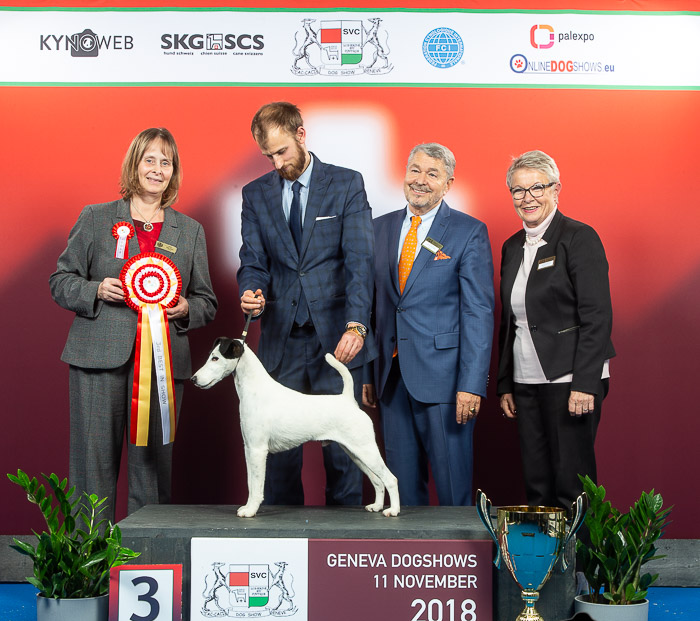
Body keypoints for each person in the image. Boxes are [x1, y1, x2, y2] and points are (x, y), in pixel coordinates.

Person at [50, 127, 217, 522]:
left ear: (173, 172)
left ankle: (147, 554)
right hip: (97, 359)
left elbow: (207, 302)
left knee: (152, 471)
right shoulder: (96, 218)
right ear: (134, 165)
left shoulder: (190, 231)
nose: (157, 169)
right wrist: (94, 289)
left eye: (166, 162)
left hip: (162, 367)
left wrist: (185, 308)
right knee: (92, 467)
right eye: (150, 160)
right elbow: (60, 281)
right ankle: (91, 554)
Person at [237, 101, 376, 506]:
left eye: (282, 152)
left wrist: (357, 325)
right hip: (280, 341)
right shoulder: (255, 194)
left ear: (301, 135)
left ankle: (345, 540)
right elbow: (253, 261)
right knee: (279, 465)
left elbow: (360, 261)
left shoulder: (347, 183)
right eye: (269, 156)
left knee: (345, 459)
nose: (278, 163)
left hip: (337, 340)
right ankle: (281, 541)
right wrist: (251, 289)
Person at [363, 143, 494, 506]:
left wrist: (471, 384)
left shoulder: (468, 231)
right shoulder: (378, 228)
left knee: (453, 490)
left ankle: (457, 548)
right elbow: (369, 306)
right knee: (401, 494)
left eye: (432, 174)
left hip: (446, 384)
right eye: (415, 170)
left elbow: (478, 313)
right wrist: (368, 374)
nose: (420, 180)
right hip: (391, 380)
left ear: (448, 184)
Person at [497, 150, 614, 512]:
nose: (527, 198)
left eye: (537, 188)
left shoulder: (579, 237)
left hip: (570, 379)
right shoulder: (511, 246)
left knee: (571, 483)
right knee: (537, 484)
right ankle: (546, 551)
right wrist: (505, 383)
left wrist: (585, 382)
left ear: (556, 189)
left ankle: (579, 551)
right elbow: (509, 322)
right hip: (525, 381)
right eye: (518, 190)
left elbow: (597, 316)